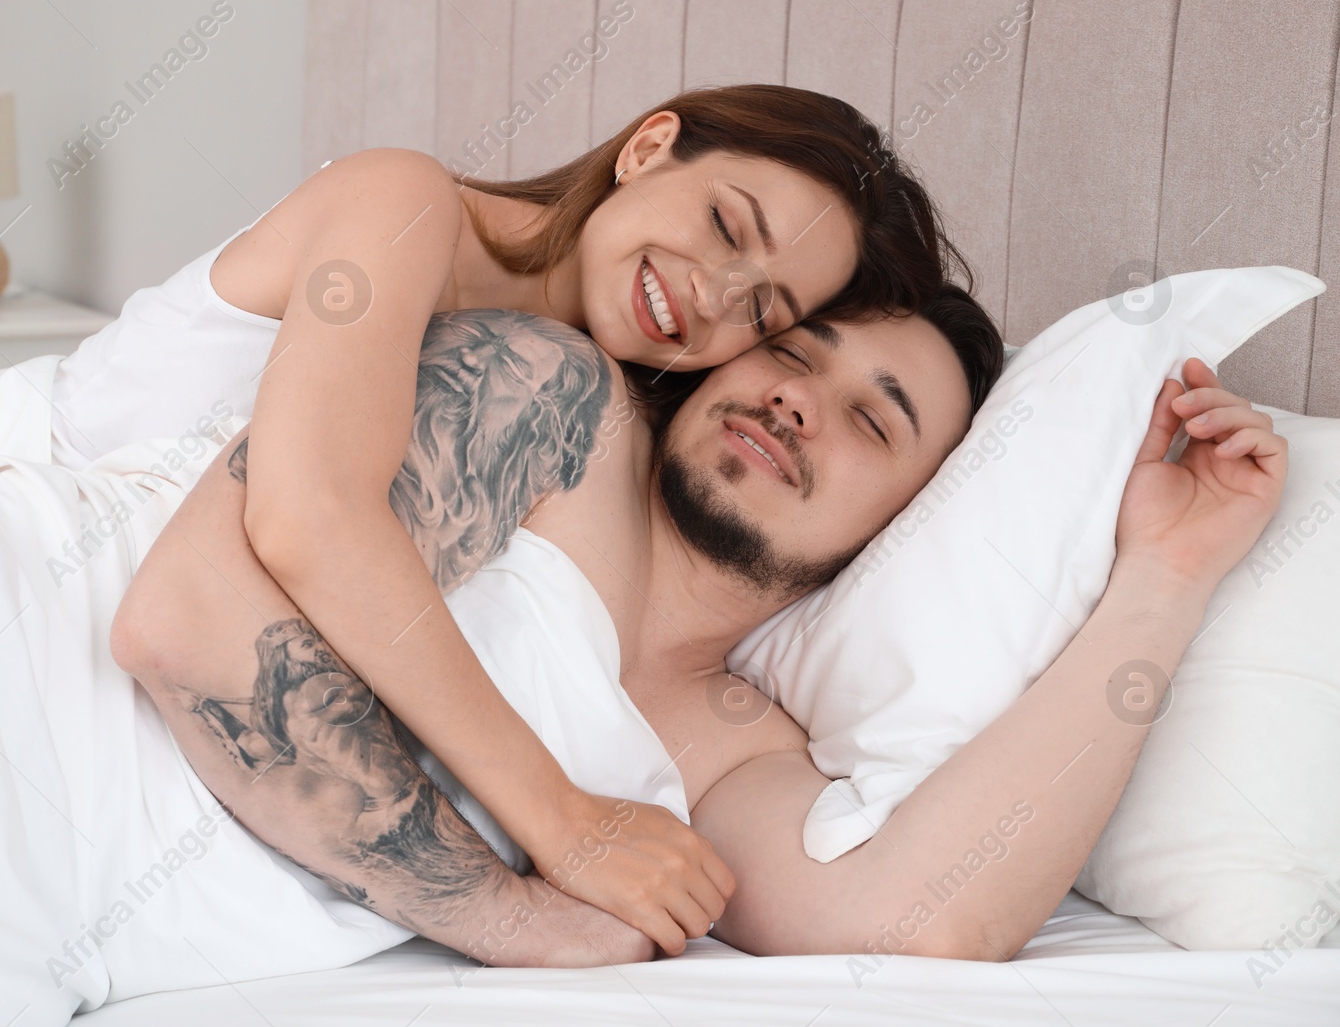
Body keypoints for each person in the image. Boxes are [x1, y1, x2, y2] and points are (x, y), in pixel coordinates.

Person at [113, 295, 1287, 964]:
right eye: (789, 355)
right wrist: (507, 906)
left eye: (870, 424)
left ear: (905, 522)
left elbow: (922, 923)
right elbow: (186, 622)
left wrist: (1163, 580)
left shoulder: (730, 750)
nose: (794, 401)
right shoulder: (553, 399)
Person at [210, 84, 969, 945]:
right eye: (726, 225)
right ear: (648, 147)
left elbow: (910, 919)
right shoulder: (407, 204)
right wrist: (556, 827)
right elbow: (309, 515)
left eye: (762, 310)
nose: (714, 295)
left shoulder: (584, 423)